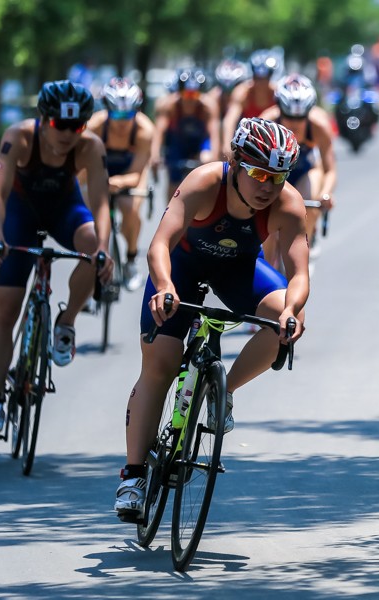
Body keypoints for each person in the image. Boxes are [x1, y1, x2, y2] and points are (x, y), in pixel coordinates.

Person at [115, 117, 309, 520]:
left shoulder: (287, 202)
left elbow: (299, 274)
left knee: (283, 323)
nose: (266, 187)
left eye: (277, 176)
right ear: (235, 162)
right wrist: (165, 285)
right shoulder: (205, 182)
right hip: (180, 268)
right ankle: (132, 477)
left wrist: (291, 310)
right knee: (161, 364)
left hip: (237, 269)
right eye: (257, 173)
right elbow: (160, 244)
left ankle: (223, 393)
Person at [0, 80, 114, 435]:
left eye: (77, 126)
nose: (68, 134)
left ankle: (66, 321)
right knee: (7, 306)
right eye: (60, 125)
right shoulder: (19, 137)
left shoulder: (90, 147)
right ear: (43, 119)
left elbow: (100, 202)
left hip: (63, 208)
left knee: (92, 247)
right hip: (20, 214)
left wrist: (104, 247)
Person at [259, 74, 337, 266]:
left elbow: (330, 169)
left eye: (301, 117)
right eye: (289, 117)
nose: (295, 123)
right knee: (265, 230)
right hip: (273, 174)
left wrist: (325, 194)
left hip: (304, 172)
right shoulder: (265, 123)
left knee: (312, 188)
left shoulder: (319, 126)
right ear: (279, 110)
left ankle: (306, 239)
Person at [85, 77, 154, 291]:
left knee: (130, 210)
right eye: (116, 114)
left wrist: (119, 181)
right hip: (100, 171)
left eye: (128, 114)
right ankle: (89, 268)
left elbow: (137, 173)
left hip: (128, 173)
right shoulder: (94, 125)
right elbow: (81, 165)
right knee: (88, 214)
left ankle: (131, 259)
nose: (123, 121)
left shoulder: (144, 130)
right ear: (107, 110)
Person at [150, 67, 221, 204]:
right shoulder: (168, 105)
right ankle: (169, 211)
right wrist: (155, 156)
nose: (190, 100)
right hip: (177, 141)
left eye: (194, 95)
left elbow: (214, 135)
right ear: (179, 92)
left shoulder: (208, 106)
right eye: (186, 95)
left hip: (200, 141)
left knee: (206, 159)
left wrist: (213, 158)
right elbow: (159, 133)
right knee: (173, 177)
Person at [221, 49, 280, 158]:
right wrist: (227, 146)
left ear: (270, 77)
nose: (260, 82)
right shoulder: (242, 92)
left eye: (264, 78)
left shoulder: (278, 94)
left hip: (272, 141)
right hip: (247, 138)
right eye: (257, 78)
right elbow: (229, 121)